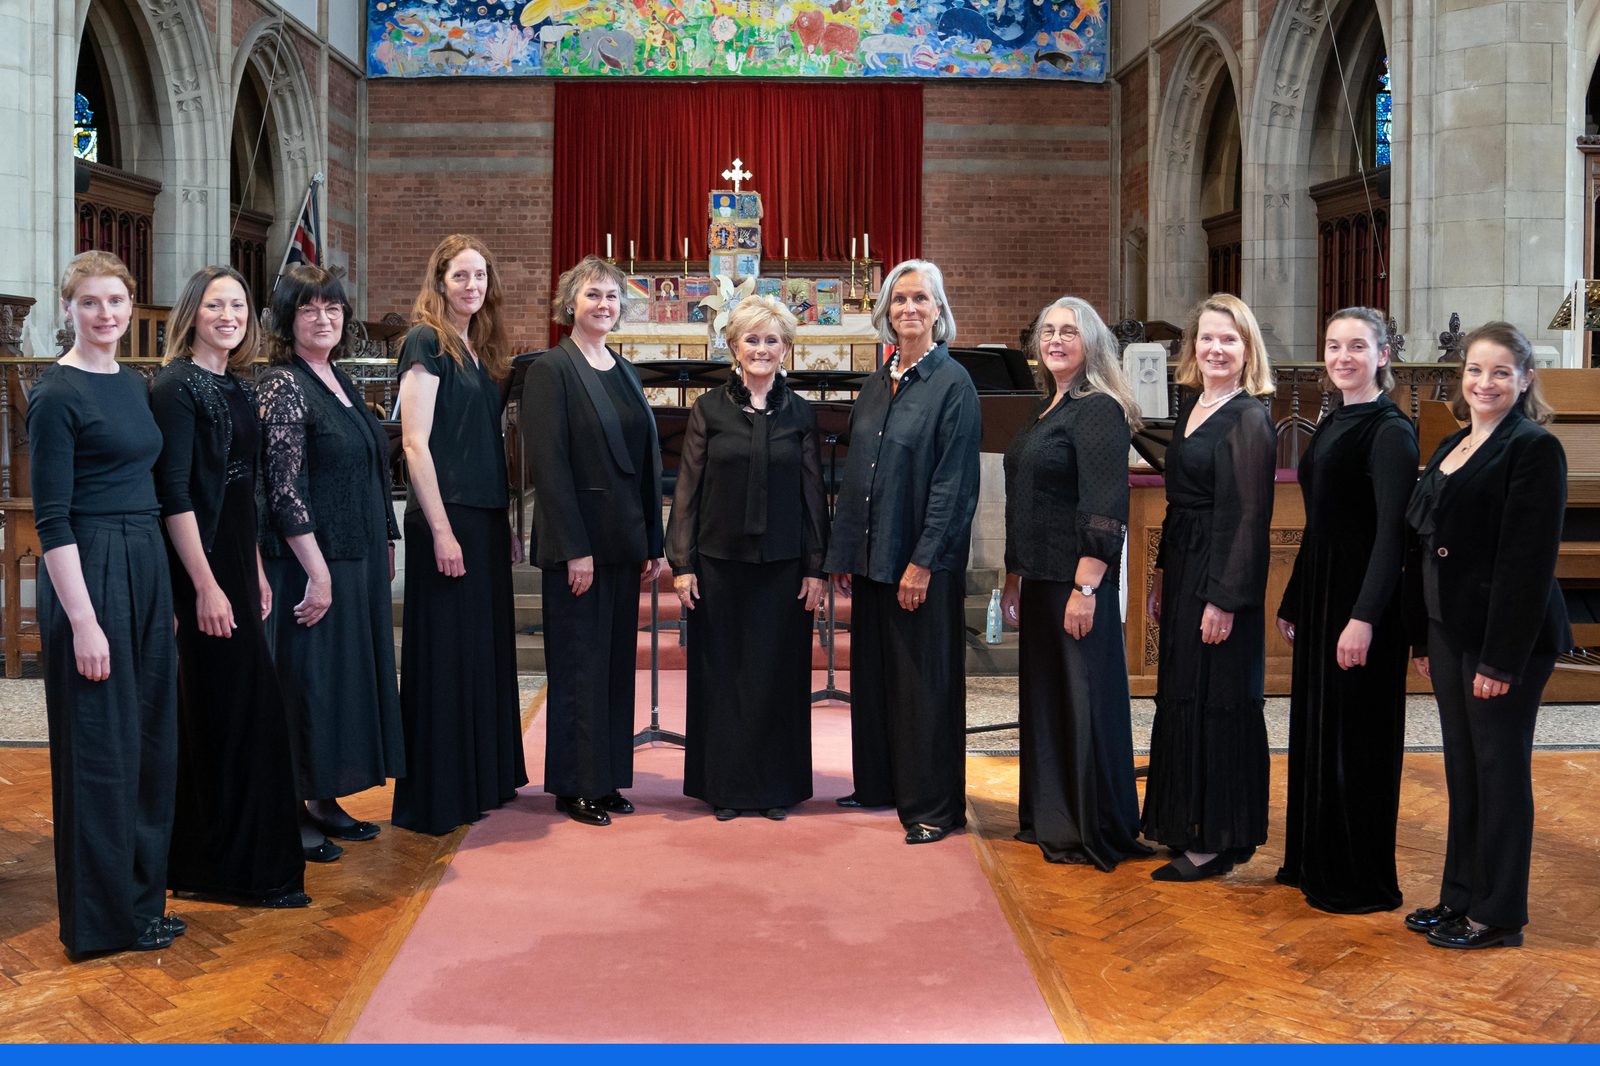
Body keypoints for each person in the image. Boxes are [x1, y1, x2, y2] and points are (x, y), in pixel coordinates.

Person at [28, 251, 181, 954]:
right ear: (68, 310)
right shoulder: (55, 394)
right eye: (90, 302)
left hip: (144, 559)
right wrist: (85, 622)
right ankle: (99, 922)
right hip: (90, 566)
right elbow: (51, 520)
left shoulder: (135, 381)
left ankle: (142, 903)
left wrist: (165, 593)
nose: (105, 314)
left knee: (150, 743)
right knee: (100, 750)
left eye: (116, 300)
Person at [1403, 321, 1569, 950]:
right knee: (1463, 767)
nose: (1486, 382)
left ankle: (1498, 915)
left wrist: (1500, 661)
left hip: (1508, 638)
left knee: (1499, 770)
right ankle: (1459, 896)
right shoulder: (1452, 445)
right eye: (1476, 369)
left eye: (1501, 372)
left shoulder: (1532, 448)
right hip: (1450, 631)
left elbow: (1526, 564)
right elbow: (1427, 548)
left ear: (1525, 379)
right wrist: (1423, 638)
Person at [152, 266, 307, 908]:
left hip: (237, 569)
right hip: (200, 573)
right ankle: (222, 866)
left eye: (238, 304)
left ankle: (230, 862)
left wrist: (253, 571)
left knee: (241, 712)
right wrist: (207, 586)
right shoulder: (174, 388)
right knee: (231, 712)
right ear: (193, 311)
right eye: (216, 304)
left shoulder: (235, 384)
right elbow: (176, 495)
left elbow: (240, 486)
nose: (229, 315)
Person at [824, 259, 981, 845]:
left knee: (923, 686)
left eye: (920, 299)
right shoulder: (878, 381)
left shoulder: (952, 384)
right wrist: (846, 554)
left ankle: (933, 806)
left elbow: (954, 485)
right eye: (898, 301)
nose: (909, 309)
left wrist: (924, 561)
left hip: (921, 564)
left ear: (939, 310)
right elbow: (857, 474)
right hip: (871, 561)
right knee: (876, 680)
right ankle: (879, 784)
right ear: (885, 314)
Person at [998, 297, 1151, 870]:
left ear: (1093, 344)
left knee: (1083, 702)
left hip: (1073, 583)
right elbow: (1026, 504)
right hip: (1038, 581)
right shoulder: (1049, 408)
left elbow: (1105, 507)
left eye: (1070, 331)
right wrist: (1014, 579)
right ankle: (1052, 815)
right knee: (1047, 703)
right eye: (1049, 332)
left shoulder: (1099, 410)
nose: (1057, 340)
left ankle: (1090, 824)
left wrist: (1087, 588)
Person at [1275, 308, 1418, 913]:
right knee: (1319, 731)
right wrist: (1294, 598)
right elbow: (1323, 523)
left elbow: (1392, 537)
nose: (1342, 358)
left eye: (1356, 347)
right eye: (1333, 346)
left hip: (1363, 604)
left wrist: (1363, 618)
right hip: (1324, 597)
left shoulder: (1389, 431)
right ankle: (1315, 858)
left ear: (1383, 354)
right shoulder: (1337, 417)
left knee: (1355, 743)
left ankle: (1357, 878)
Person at [259, 265, 404, 861]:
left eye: (334, 309)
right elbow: (282, 487)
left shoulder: (337, 377)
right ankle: (289, 806)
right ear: (288, 320)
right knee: (307, 684)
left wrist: (387, 538)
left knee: (341, 686)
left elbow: (369, 466)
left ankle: (324, 797)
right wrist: (316, 570)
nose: (325, 319)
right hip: (309, 562)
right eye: (310, 310)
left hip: (357, 555)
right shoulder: (282, 384)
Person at [667, 296, 827, 821]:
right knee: (723, 674)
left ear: (786, 348)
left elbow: (812, 495)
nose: (761, 349)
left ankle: (774, 788)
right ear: (734, 346)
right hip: (718, 561)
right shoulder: (709, 409)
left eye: (771, 340)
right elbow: (687, 488)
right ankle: (726, 788)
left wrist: (815, 567)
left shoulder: (800, 412)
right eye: (751, 339)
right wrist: (682, 563)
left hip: (783, 566)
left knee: (777, 675)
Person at [392, 234, 528, 835]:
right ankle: (441, 795)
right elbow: (415, 444)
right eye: (460, 276)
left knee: (479, 653)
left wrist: (506, 525)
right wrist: (444, 533)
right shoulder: (427, 342)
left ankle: (480, 778)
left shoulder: (475, 349)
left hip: (483, 516)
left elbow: (482, 446)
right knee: (446, 657)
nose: (472, 286)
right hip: (445, 519)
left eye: (480, 277)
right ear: (439, 281)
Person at [522, 255, 664, 826]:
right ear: (570, 305)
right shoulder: (551, 370)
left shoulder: (623, 368)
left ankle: (605, 778)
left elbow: (647, 462)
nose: (603, 305)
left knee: (611, 668)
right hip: (578, 546)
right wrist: (573, 547)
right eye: (592, 296)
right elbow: (550, 467)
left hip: (624, 543)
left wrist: (653, 542)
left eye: (611, 297)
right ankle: (573, 784)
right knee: (579, 666)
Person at [1141, 293, 1277, 881]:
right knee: (1183, 692)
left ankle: (1218, 838)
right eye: (1207, 338)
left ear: (1248, 350)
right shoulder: (1197, 403)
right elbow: (1179, 506)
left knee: (1217, 700)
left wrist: (1224, 599)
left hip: (1222, 576)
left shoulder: (1249, 417)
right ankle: (1183, 823)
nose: (1216, 348)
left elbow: (1248, 518)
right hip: (1187, 568)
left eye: (1229, 339)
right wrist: (1162, 575)